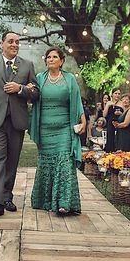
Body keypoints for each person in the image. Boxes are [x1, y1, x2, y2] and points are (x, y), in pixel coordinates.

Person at [0, 31, 39, 217]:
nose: (14, 44)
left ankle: (6, 197)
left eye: (17, 42)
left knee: (12, 160)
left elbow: (36, 93)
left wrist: (20, 89)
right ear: (1, 43)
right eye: (10, 41)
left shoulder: (27, 65)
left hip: (17, 121)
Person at [30, 47, 86, 215]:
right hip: (45, 130)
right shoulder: (39, 78)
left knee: (64, 162)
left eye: (55, 57)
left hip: (64, 130)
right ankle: (44, 200)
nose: (51, 59)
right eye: (48, 57)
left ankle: (64, 203)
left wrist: (83, 120)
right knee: (46, 164)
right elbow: (30, 95)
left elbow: (77, 101)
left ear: (61, 61)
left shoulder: (69, 79)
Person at [103, 88, 122, 152]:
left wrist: (120, 114)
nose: (117, 95)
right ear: (112, 95)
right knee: (110, 139)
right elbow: (104, 115)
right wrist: (108, 105)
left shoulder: (122, 103)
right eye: (115, 93)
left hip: (119, 123)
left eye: (119, 94)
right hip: (110, 123)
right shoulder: (108, 103)